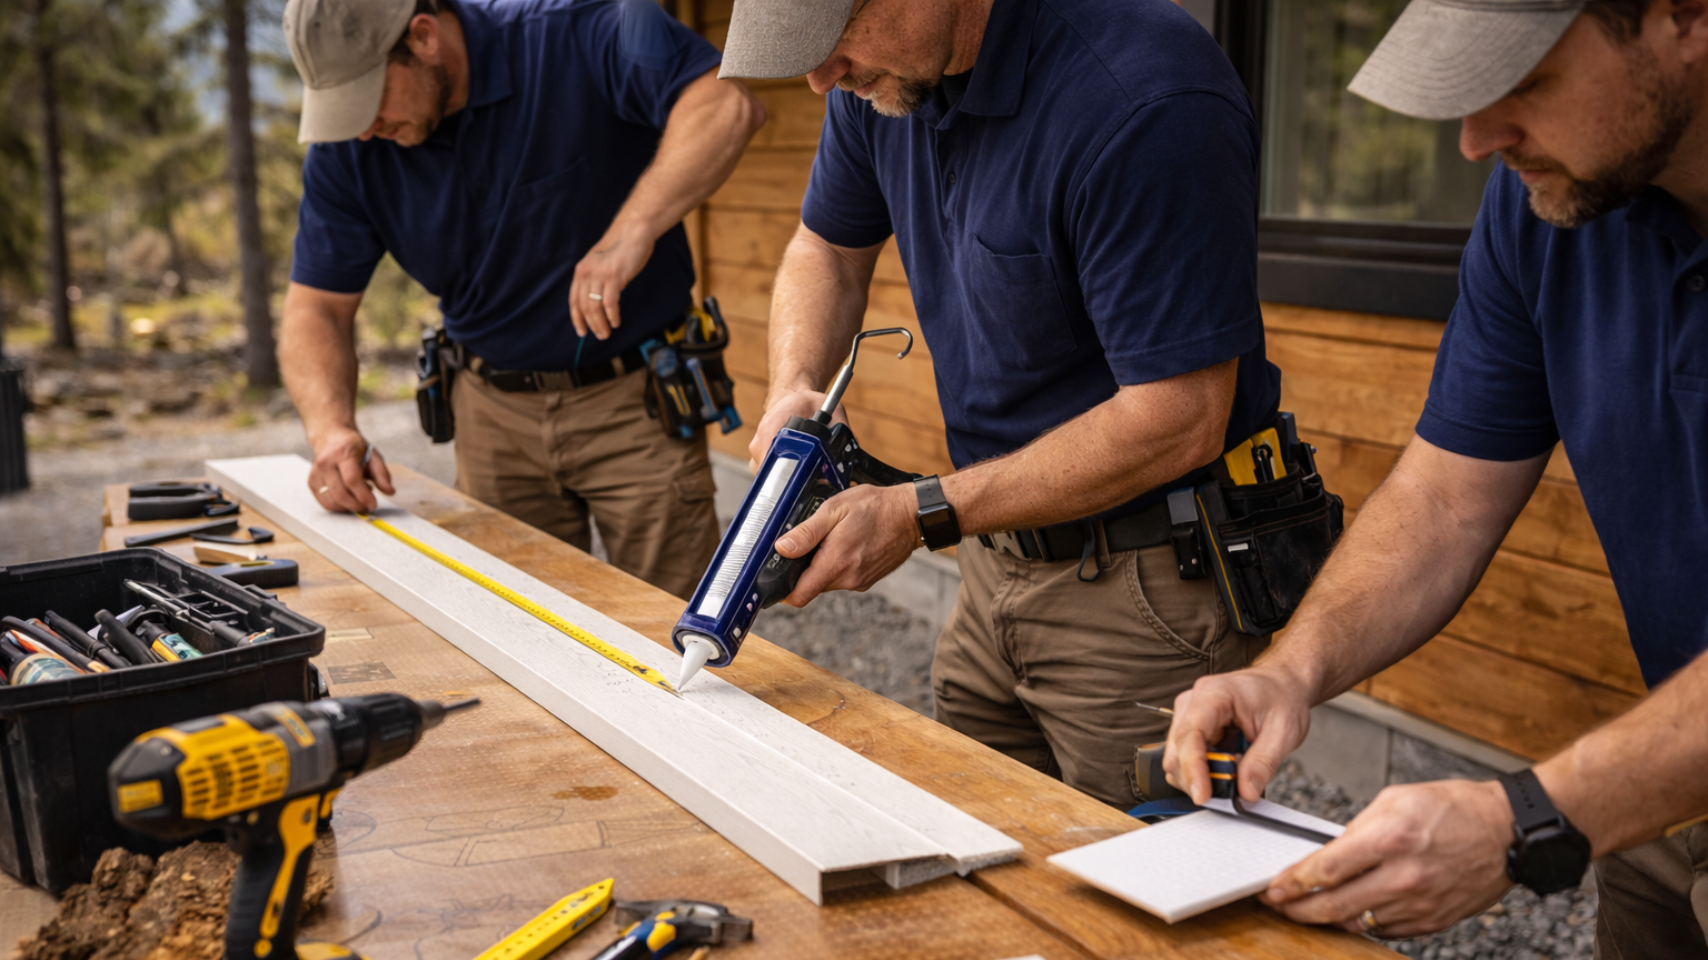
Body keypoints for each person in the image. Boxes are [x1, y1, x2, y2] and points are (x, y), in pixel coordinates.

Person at [1162, 0, 1708, 951]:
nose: (1474, 140)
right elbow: (1448, 495)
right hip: (1670, 785)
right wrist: (1291, 671)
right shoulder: (1550, 200)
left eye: (1526, 79)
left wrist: (1526, 817)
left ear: (1684, 16)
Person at [718, 0, 1284, 808]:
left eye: (834, 38)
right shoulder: (884, 84)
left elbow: (1180, 416)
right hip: (990, 558)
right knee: (982, 848)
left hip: (1149, 584)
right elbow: (827, 247)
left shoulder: (1143, 98)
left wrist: (919, 515)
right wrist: (795, 384)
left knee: (1147, 905)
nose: (819, 80)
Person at [278, 0, 765, 598]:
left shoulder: (585, 29)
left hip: (636, 404)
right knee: (514, 631)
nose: (360, 127)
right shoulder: (348, 147)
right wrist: (331, 431)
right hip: (490, 415)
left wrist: (629, 232)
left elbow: (726, 105)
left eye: (368, 97)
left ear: (424, 37)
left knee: (677, 632)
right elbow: (315, 309)